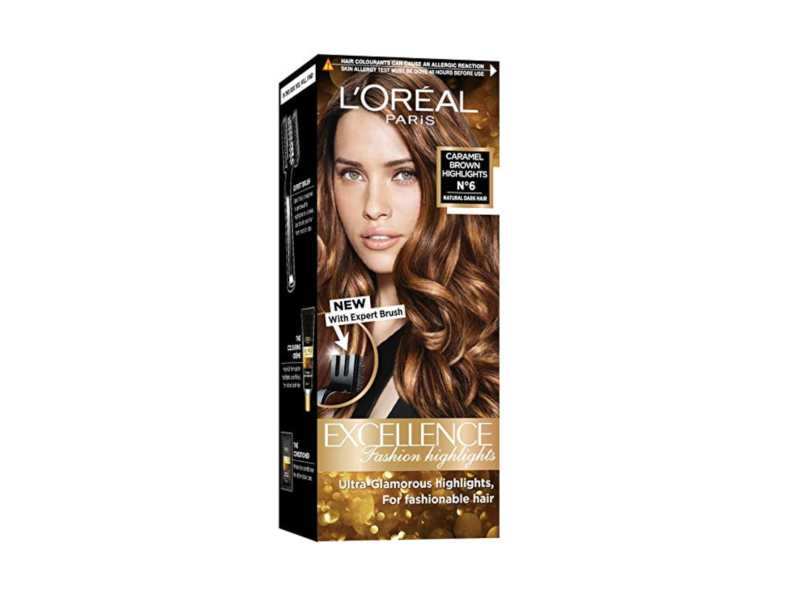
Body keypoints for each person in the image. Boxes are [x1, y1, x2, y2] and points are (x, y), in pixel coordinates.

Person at [316, 70, 499, 418]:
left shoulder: (484, 334)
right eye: (352, 174)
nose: (373, 208)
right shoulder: (336, 330)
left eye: (404, 174)